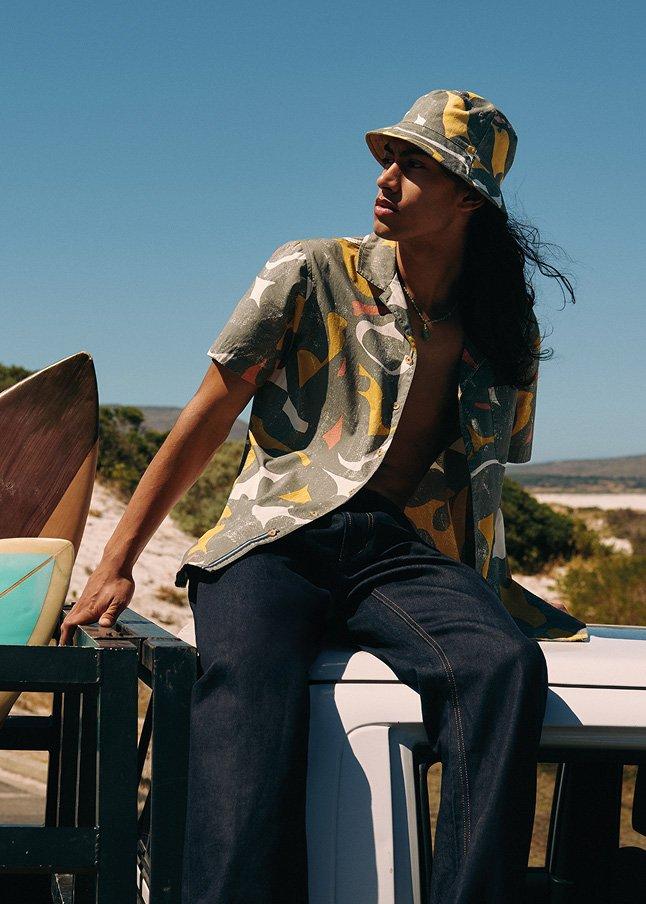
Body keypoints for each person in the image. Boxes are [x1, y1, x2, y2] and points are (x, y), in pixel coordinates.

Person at [59, 89, 589, 903]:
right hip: (276, 539)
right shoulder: (311, 269)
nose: (386, 178)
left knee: (504, 667)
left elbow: (483, 486)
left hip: (394, 554)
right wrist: (117, 560)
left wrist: (487, 594)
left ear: (468, 199)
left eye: (416, 166)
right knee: (249, 717)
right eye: (388, 159)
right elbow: (208, 416)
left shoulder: (503, 329)